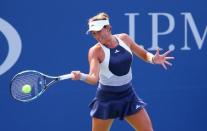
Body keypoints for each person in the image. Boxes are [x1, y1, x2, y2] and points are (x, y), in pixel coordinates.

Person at [71, 12, 174, 131]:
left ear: (108, 28)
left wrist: (153, 59)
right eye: (94, 34)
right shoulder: (95, 51)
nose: (97, 36)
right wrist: (81, 76)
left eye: (99, 31)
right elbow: (94, 78)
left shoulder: (124, 38)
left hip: (128, 95)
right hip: (106, 98)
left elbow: (144, 54)